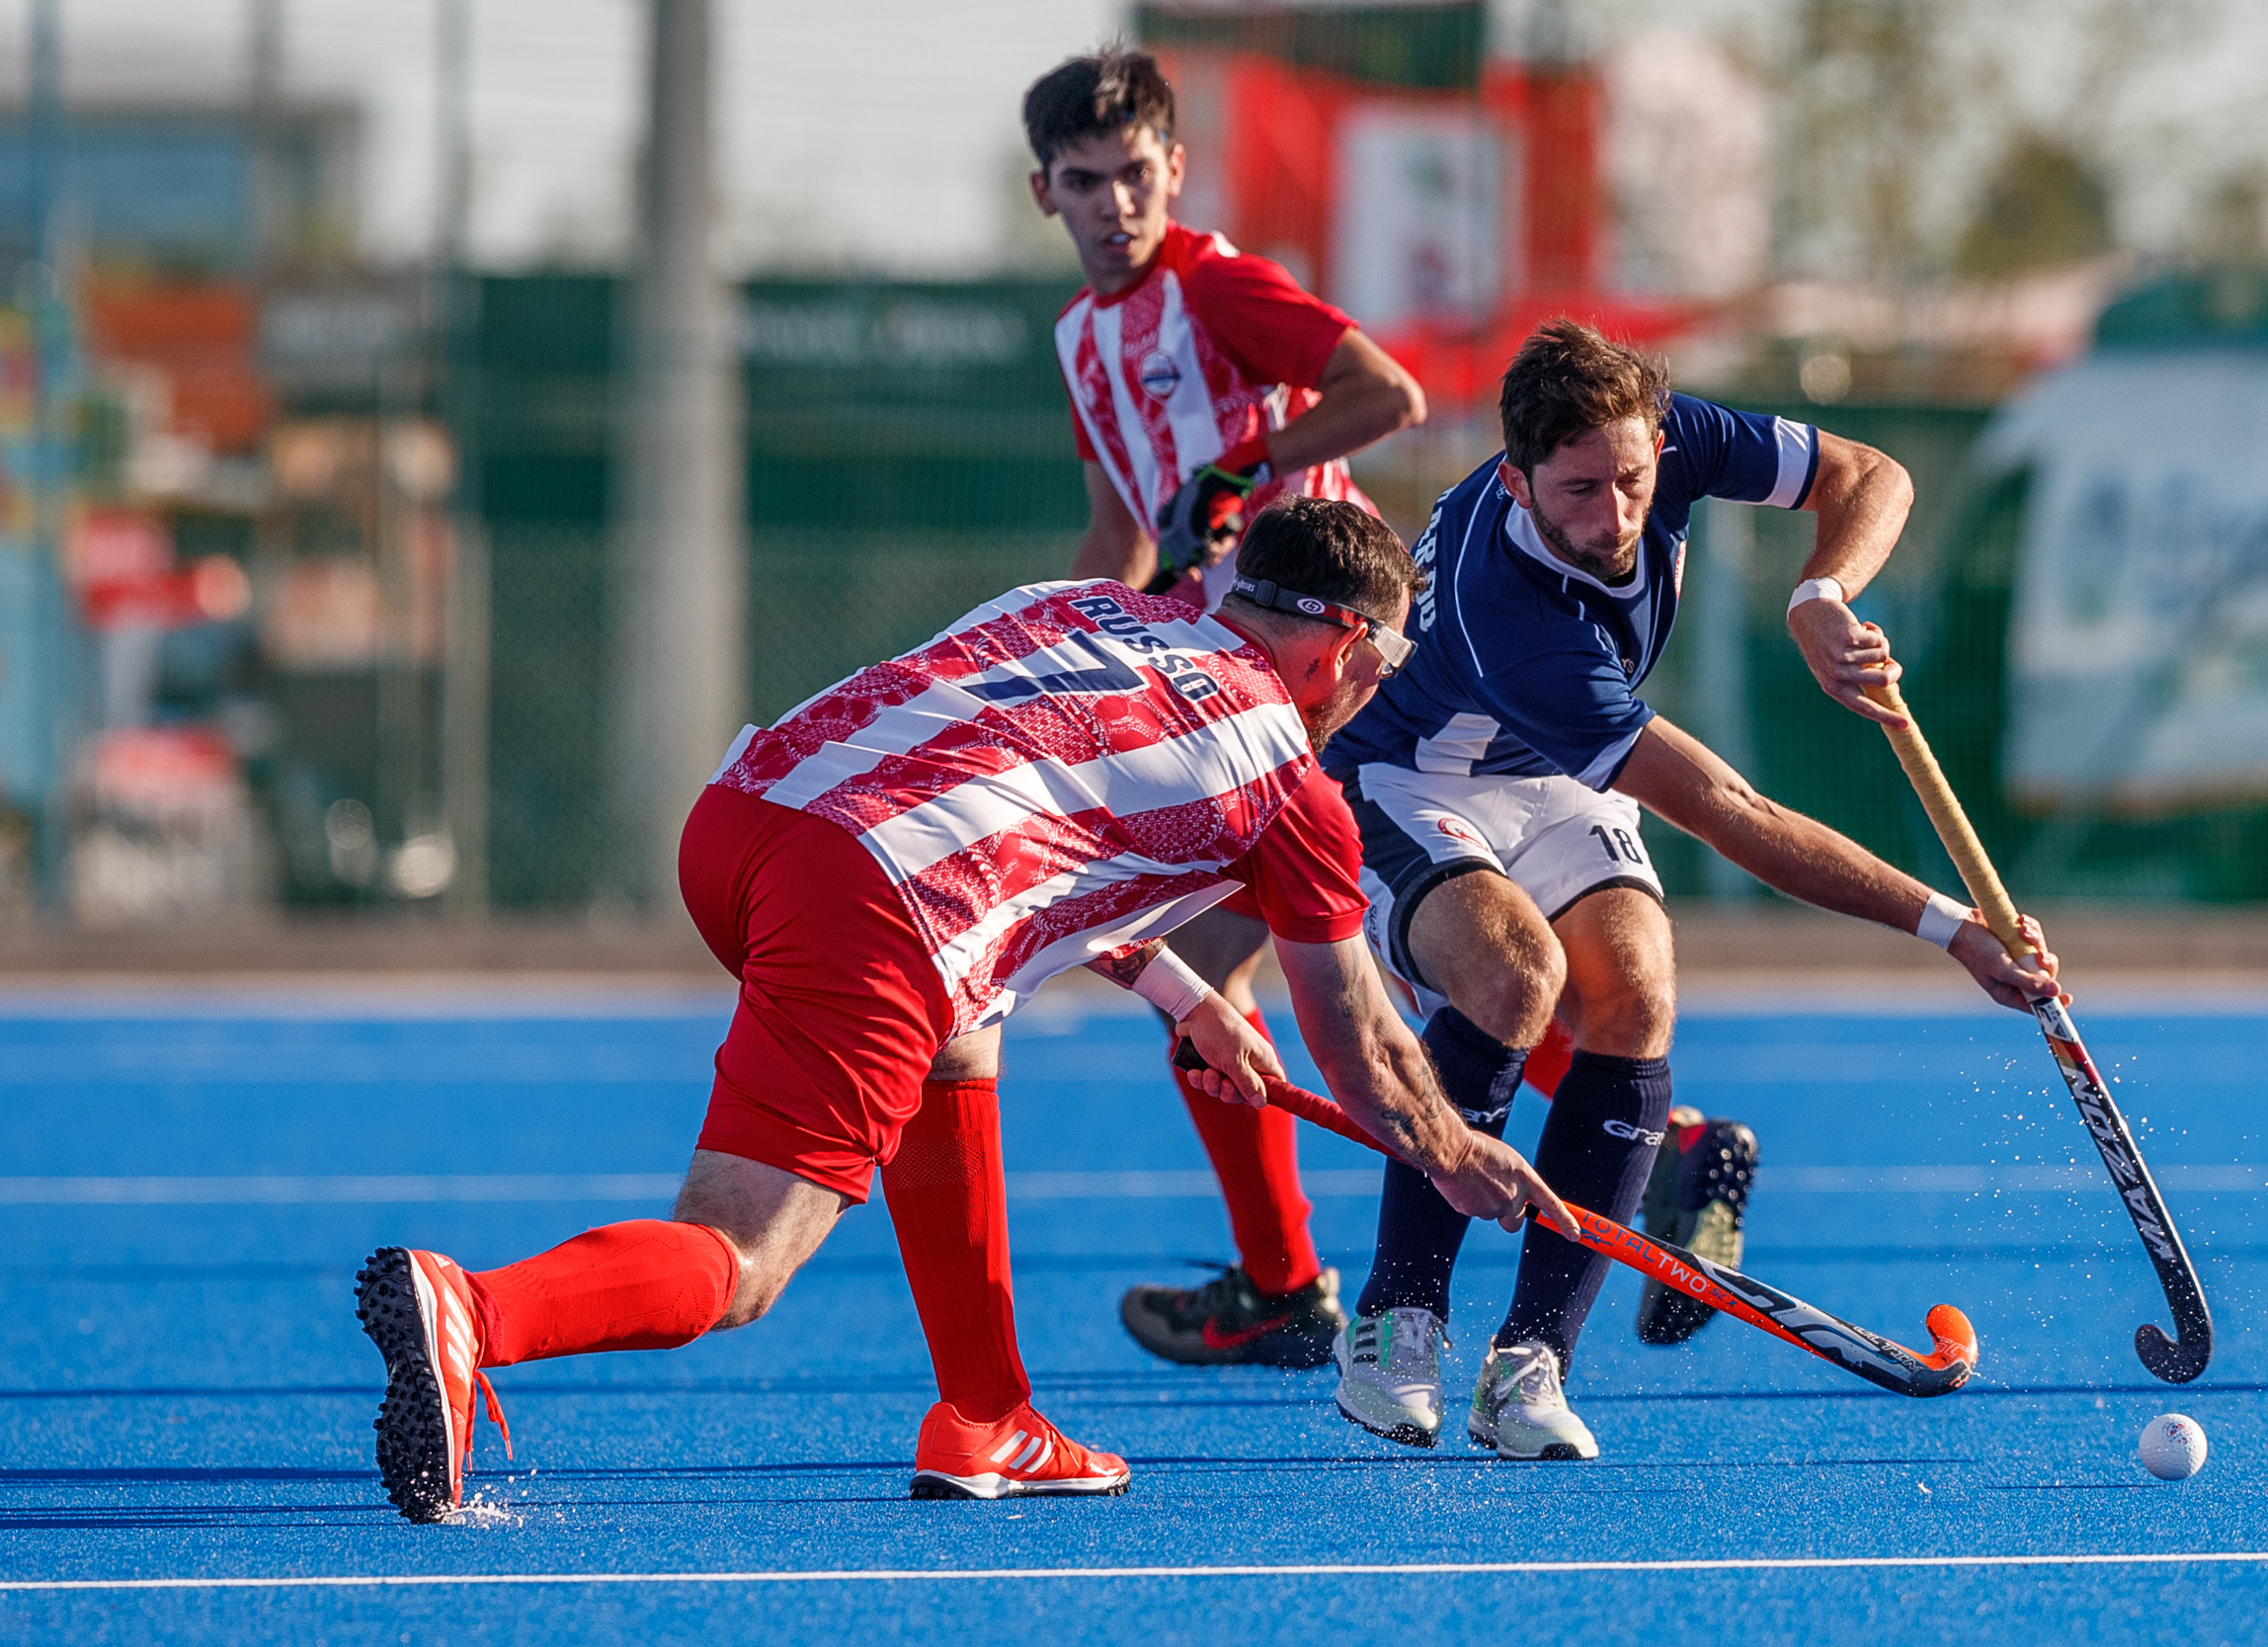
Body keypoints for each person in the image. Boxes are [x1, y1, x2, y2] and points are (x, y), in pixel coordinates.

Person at [352, 499, 1573, 1521]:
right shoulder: (1292, 787)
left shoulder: (1092, 604)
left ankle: (988, 1415)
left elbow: (1026, 813)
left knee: (963, 1020)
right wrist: (1453, 1146)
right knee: (741, 1256)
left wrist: (1184, 991)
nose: (1377, 690)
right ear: (1346, 646)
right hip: (874, 898)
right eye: (1390, 666)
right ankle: (480, 1311)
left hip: (744, 816)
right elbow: (1357, 1042)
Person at [1319, 319, 2065, 1460]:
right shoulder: (1510, 617)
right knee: (1515, 979)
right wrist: (1948, 925)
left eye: (1631, 478)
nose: (1615, 517)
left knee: (1638, 993)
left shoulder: (1667, 443)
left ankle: (1529, 1363)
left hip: (1551, 770)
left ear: (1657, 441)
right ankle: (1397, 1317)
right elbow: (1735, 815)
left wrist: (1821, 590)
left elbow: (1874, 474)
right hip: (1406, 777)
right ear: (1515, 479)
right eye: (1576, 492)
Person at [1021, 45, 1430, 1368]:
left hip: (1330, 666)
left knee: (1349, 972)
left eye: (1136, 174)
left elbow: (1388, 393)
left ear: (1174, 170)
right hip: (1232, 696)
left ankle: (1656, 1129)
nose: (1115, 204)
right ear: (1046, 194)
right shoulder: (1083, 336)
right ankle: (1283, 1286)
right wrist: (1045, 646)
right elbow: (1119, 525)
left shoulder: (1219, 286)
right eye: (1086, 182)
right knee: (1208, 991)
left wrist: (1251, 458)